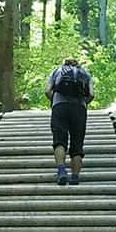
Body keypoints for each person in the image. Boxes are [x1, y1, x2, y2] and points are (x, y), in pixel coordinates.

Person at [46, 57, 94, 185]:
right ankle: (75, 177)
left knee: (59, 140)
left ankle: (61, 171)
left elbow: (47, 90)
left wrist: (54, 101)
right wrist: (83, 103)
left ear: (64, 63)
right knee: (77, 143)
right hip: (79, 109)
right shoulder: (85, 73)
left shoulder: (57, 71)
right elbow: (91, 94)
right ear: (77, 64)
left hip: (60, 107)